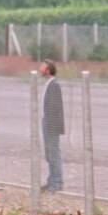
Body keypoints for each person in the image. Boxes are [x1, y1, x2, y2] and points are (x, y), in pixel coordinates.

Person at [40, 60, 65, 192]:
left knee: (54, 153)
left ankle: (56, 183)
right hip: (47, 123)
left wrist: (51, 127)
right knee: (49, 154)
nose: (40, 68)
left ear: (48, 69)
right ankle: (51, 180)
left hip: (52, 125)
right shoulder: (48, 84)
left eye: (43, 66)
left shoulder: (54, 85)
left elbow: (55, 108)